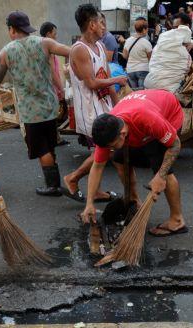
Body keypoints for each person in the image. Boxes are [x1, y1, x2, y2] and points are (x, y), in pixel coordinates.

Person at [0, 11, 71, 197]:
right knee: (49, 142)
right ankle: (54, 179)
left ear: (12, 29)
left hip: (30, 111)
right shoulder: (45, 43)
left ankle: (53, 185)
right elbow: (71, 51)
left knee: (41, 147)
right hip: (50, 106)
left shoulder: (6, 52)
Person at [82, 89, 188, 237]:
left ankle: (177, 220)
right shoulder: (107, 130)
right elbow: (97, 166)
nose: (109, 149)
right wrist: (89, 204)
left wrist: (160, 176)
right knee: (118, 158)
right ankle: (134, 200)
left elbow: (175, 145)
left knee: (161, 166)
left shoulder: (147, 119)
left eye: (112, 145)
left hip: (168, 114)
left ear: (123, 134)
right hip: (142, 109)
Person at [64, 4, 127, 202]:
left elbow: (106, 79)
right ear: (91, 24)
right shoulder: (79, 50)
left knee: (103, 151)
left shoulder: (100, 46)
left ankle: (94, 190)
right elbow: (92, 82)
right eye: (101, 22)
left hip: (105, 107)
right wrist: (117, 80)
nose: (104, 26)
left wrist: (118, 108)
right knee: (106, 150)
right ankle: (72, 178)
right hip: (90, 111)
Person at [144, 16, 193, 92]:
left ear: (187, 26)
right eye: (173, 28)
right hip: (166, 89)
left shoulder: (191, 41)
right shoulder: (163, 43)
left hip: (153, 85)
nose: (174, 30)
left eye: (177, 27)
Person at [122, 17, 152, 90]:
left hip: (130, 70)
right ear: (144, 30)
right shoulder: (146, 43)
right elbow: (150, 59)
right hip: (143, 70)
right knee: (142, 93)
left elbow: (125, 56)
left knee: (134, 94)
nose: (147, 30)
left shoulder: (128, 41)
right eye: (147, 29)